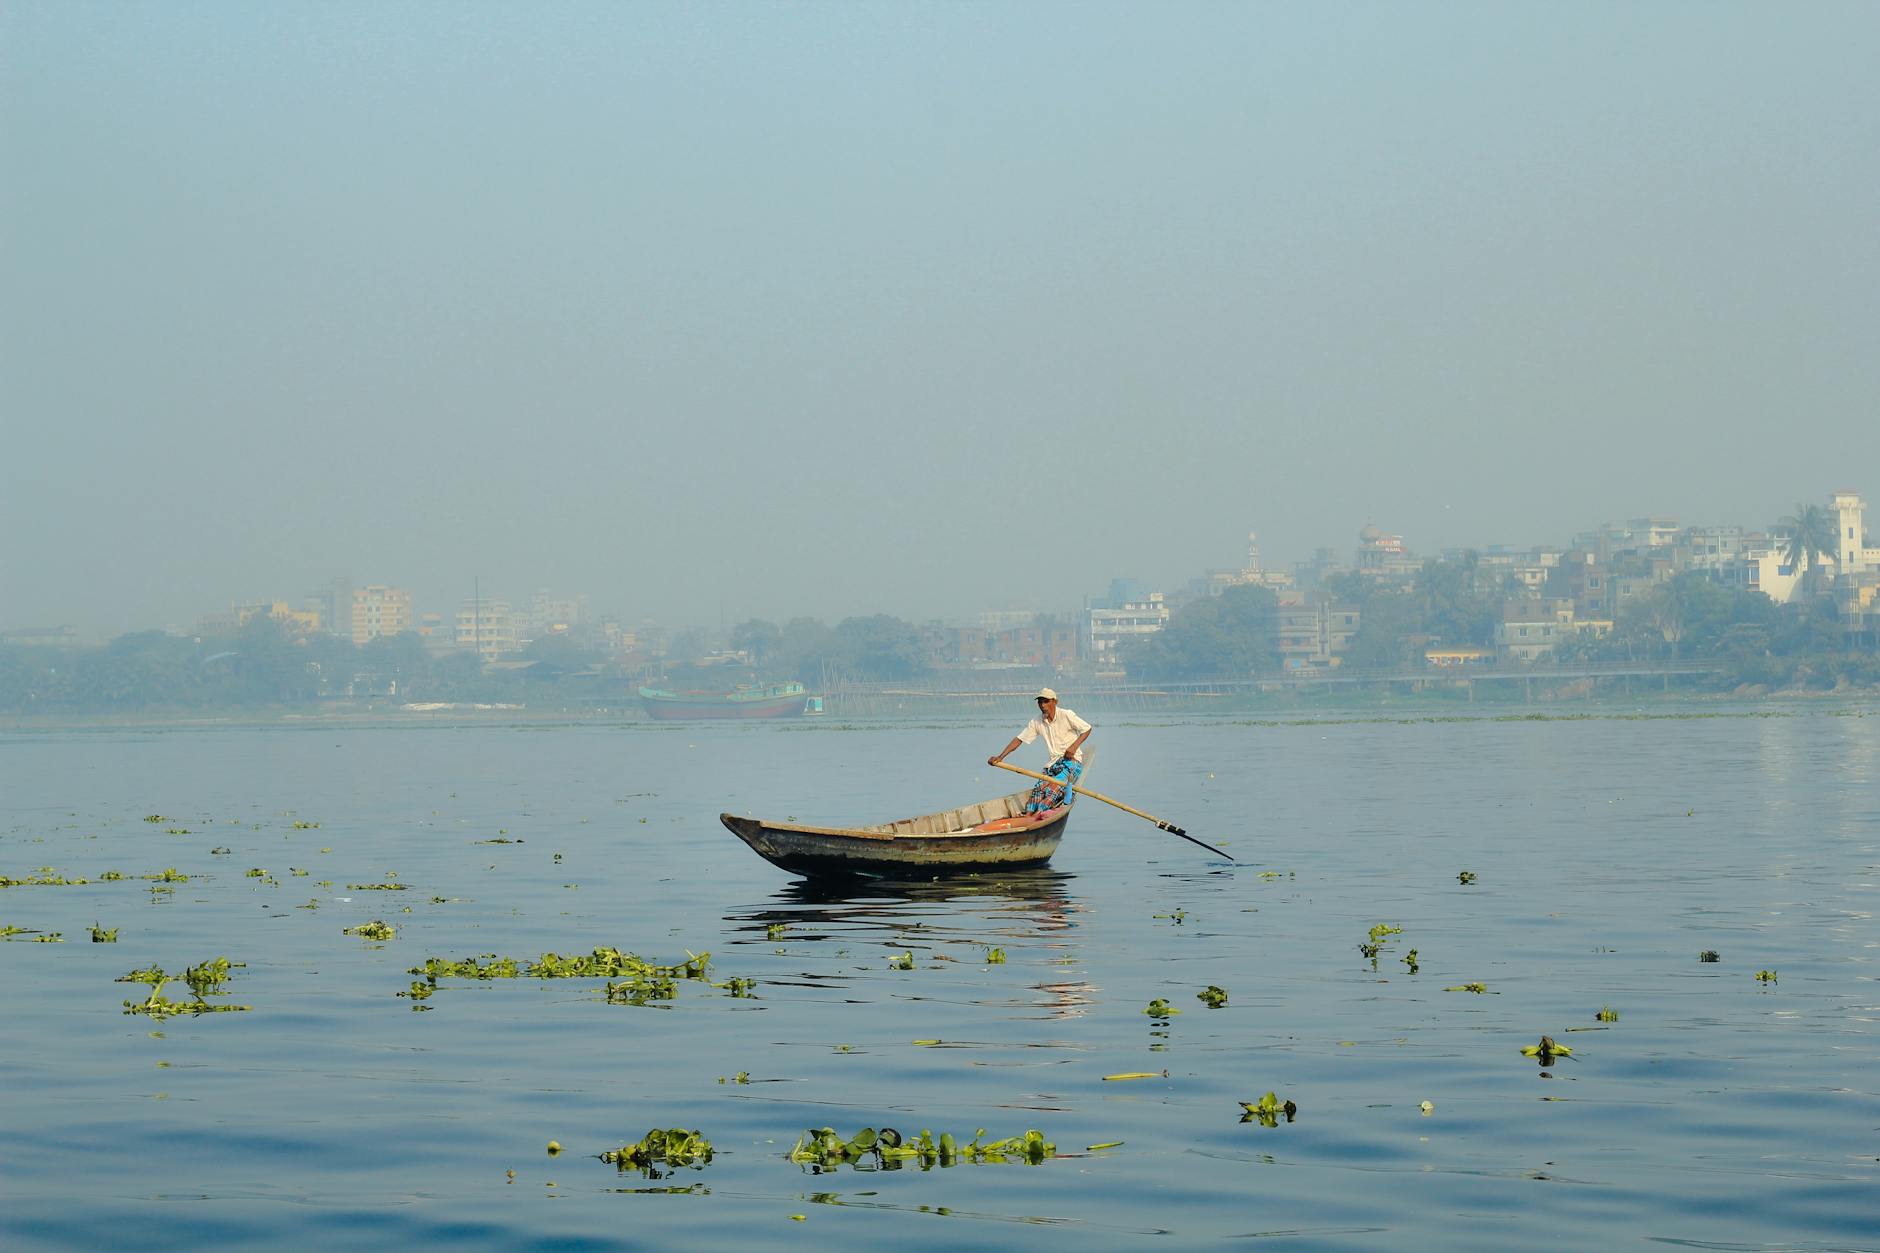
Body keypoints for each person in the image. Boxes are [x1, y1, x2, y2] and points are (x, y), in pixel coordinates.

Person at [988, 688, 1093, 813]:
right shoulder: (1036, 721)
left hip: (1071, 762)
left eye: (1046, 701)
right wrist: (1000, 757)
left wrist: (1074, 747)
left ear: (1055, 702)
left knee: (1051, 792)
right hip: (1053, 764)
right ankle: (1029, 815)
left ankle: (1040, 813)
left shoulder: (1066, 715)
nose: (1042, 705)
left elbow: (1087, 728)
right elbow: (1019, 739)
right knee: (1037, 794)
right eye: (1040, 702)